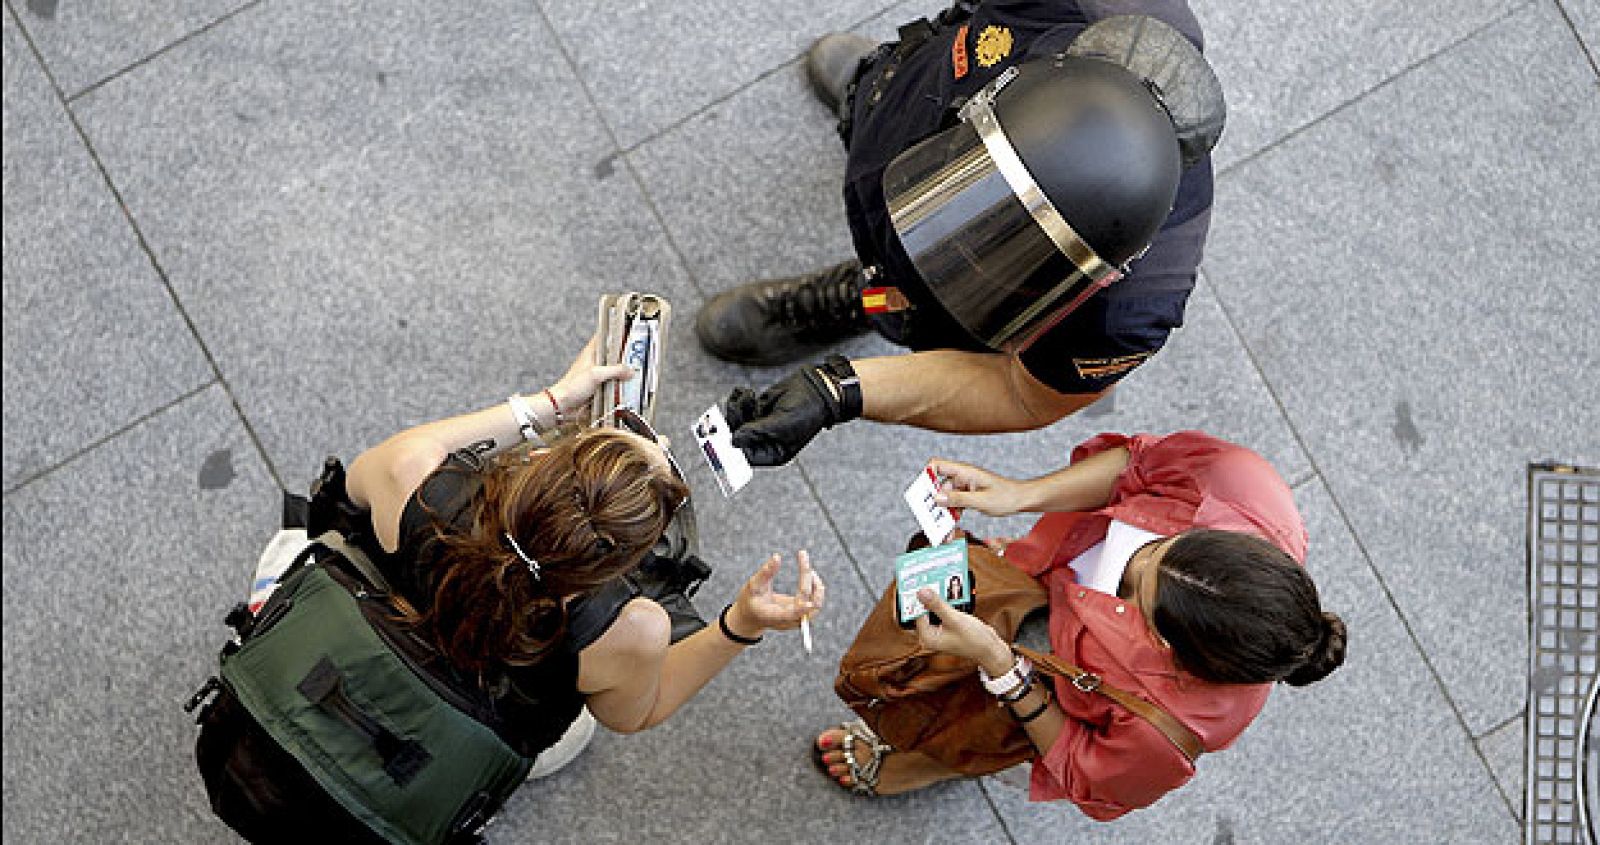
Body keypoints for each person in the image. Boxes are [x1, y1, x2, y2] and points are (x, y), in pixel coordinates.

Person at [324, 335, 826, 835]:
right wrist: (741, 623)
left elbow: (351, 490)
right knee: (576, 733)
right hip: (461, 736)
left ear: (541, 464)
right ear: (628, 563)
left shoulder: (413, 474)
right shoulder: (629, 629)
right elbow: (634, 714)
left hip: (346, 653)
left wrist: (554, 402)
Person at [697, 2, 1227, 467]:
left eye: (1017, 241)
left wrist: (838, 391)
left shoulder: (1132, 310)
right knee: (881, 102)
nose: (966, 238)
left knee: (897, 301)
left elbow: (1020, 395)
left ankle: (863, 299)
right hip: (913, 101)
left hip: (936, 302)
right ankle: (863, 95)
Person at [814, 430, 1346, 820]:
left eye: (1134, 584)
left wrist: (1001, 666)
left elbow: (1082, 768)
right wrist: (1019, 494)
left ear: (1163, 643)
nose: (1131, 555)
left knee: (972, 728)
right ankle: (948, 751)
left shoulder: (1170, 733)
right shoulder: (1242, 486)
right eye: (1161, 543)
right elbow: (1136, 465)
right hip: (1040, 579)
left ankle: (940, 762)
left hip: (1046, 684)